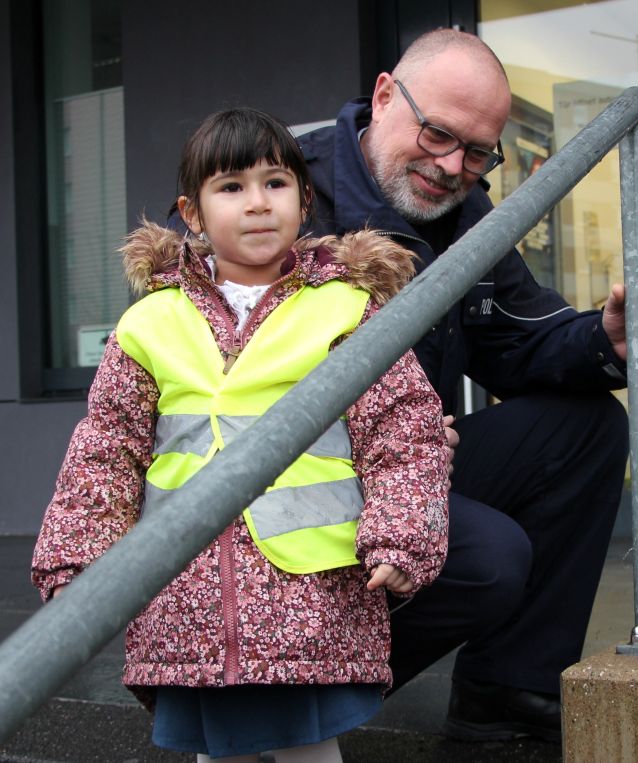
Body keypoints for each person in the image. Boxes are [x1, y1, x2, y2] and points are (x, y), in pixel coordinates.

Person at [297, 28, 638, 742]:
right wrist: (383, 437)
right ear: (384, 96)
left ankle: (507, 691)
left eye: (478, 153)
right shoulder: (270, 187)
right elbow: (209, 372)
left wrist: (605, 339)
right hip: (285, 491)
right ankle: (289, 694)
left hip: (413, 468)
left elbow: (517, 334)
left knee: (587, 429)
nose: (452, 167)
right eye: (438, 134)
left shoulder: (462, 213)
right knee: (488, 556)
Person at [31, 108, 448, 763]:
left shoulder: (345, 309)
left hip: (310, 593)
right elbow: (106, 451)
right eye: (231, 187)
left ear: (304, 201)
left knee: (310, 745)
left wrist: (401, 531)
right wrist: (75, 560)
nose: (257, 203)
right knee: (219, 746)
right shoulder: (149, 323)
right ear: (191, 213)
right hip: (188, 594)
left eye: (275, 183)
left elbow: (403, 433)